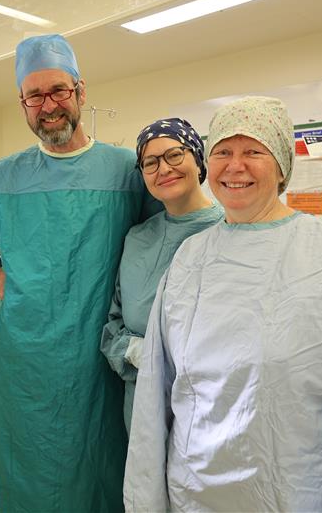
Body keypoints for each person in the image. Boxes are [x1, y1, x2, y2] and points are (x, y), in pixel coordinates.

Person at [123, 96, 322, 512]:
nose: (234, 165)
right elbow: (155, 393)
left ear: (281, 167)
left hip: (299, 492)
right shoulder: (190, 259)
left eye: (253, 151)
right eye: (223, 151)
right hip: (195, 492)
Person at [0, 34, 160, 513]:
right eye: (35, 96)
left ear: (80, 92)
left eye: (58, 91)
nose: (48, 106)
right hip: (27, 366)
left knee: (105, 472)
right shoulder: (2, 179)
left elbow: (173, 231)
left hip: (106, 360)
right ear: (23, 104)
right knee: (30, 477)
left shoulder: (126, 171)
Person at [101, 118, 223, 435]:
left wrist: (164, 359)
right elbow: (115, 320)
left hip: (206, 409)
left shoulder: (228, 233)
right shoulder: (137, 238)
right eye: (150, 163)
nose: (163, 169)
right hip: (140, 400)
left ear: (198, 160)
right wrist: (137, 352)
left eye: (174, 155)